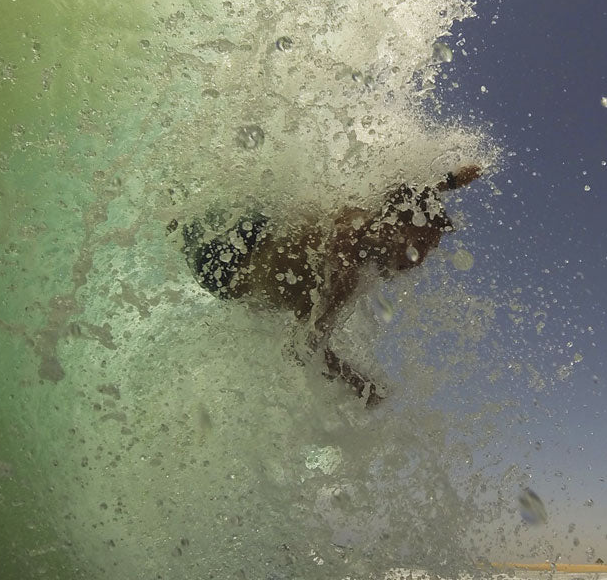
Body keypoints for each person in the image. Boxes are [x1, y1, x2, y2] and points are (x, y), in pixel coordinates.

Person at [177, 164, 481, 406]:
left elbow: (407, 197)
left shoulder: (368, 216)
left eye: (428, 251)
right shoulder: (346, 273)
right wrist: (359, 384)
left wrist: (449, 182)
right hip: (223, 269)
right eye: (421, 246)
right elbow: (301, 346)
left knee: (180, 217)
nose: (418, 262)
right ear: (399, 224)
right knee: (180, 225)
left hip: (253, 225)